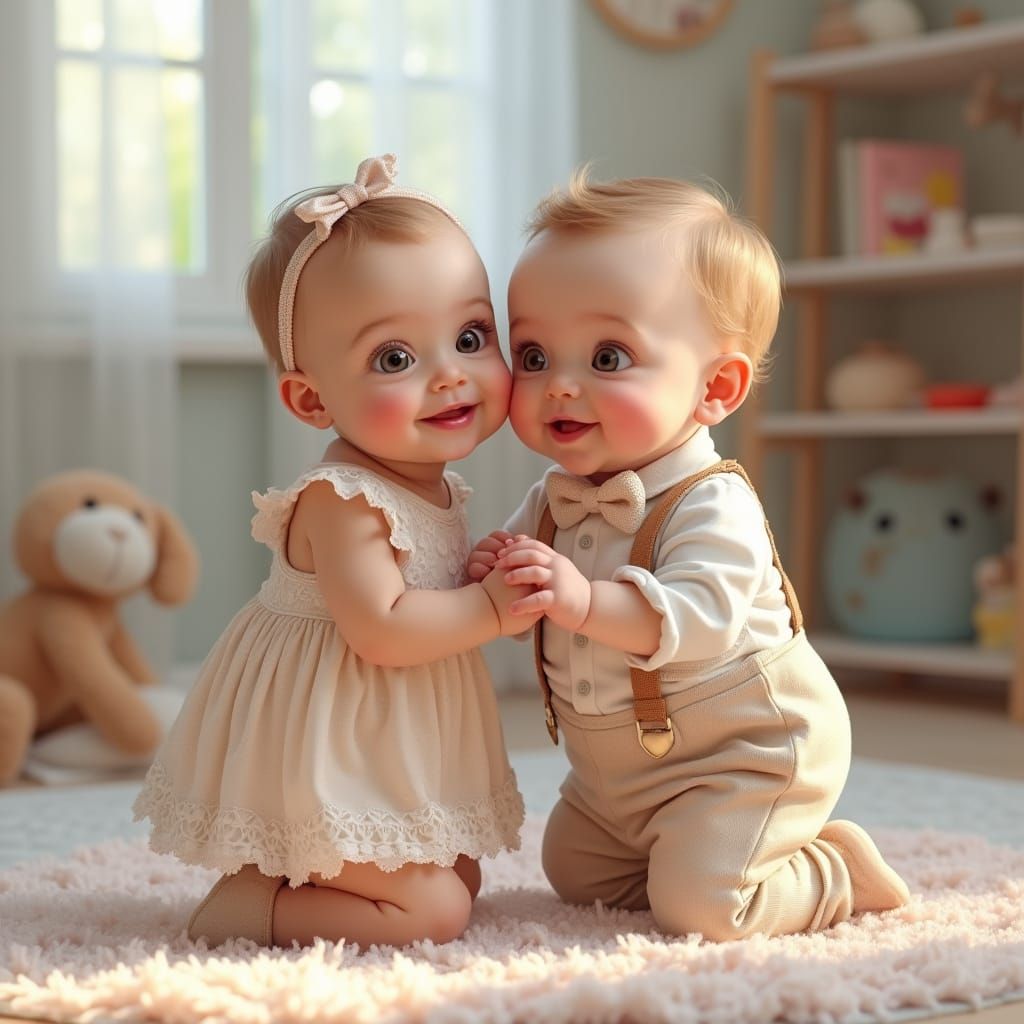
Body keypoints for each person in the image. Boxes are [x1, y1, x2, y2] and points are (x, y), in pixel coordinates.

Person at [469, 170, 910, 941]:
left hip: (744, 753)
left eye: (607, 358)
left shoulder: (713, 503)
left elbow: (697, 620)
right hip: (618, 776)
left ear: (716, 388)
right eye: (534, 355)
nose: (559, 387)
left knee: (701, 911)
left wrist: (575, 599)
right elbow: (521, 606)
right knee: (573, 870)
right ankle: (687, 846)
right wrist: (493, 581)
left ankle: (831, 869)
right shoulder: (552, 497)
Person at [134, 154, 532, 949]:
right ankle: (251, 907)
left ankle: (291, 873)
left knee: (466, 876)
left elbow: (430, 594)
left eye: (470, 334)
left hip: (383, 739)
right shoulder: (343, 500)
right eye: (395, 358)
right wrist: (487, 608)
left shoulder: (433, 484)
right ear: (312, 398)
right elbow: (383, 627)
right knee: (435, 911)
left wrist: (478, 578)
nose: (450, 376)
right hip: (324, 745)